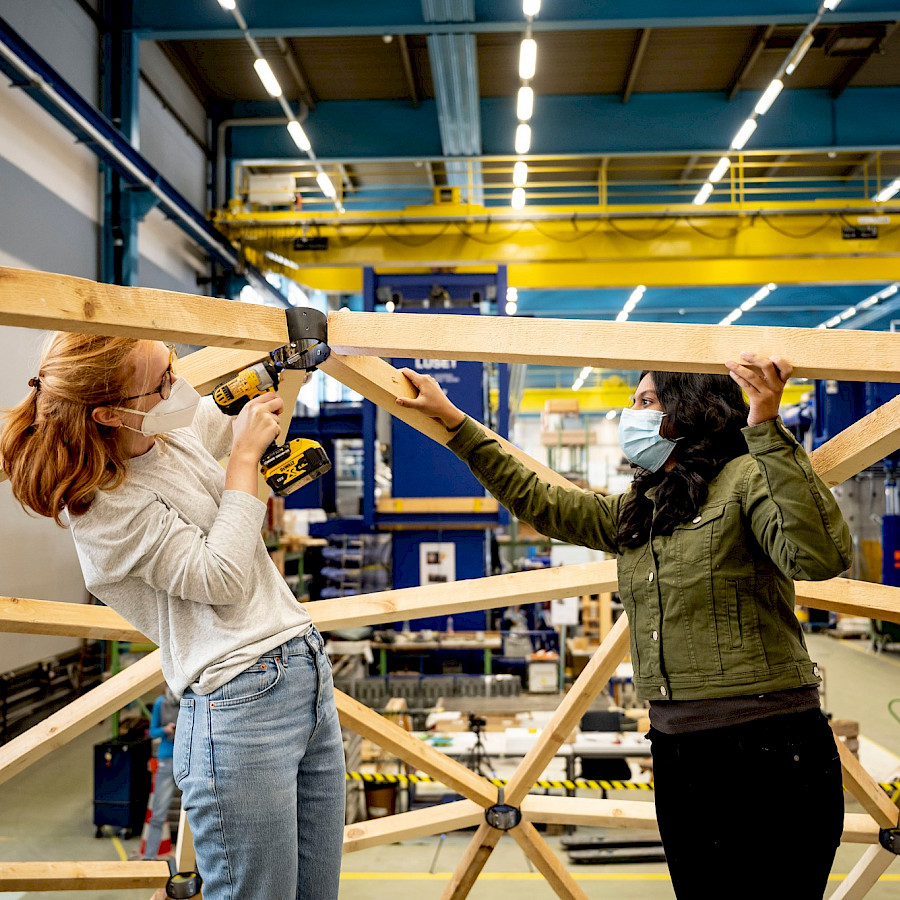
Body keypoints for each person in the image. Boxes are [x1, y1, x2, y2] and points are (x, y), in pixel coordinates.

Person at [398, 353, 851, 900]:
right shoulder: (645, 509)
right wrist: (455, 422)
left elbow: (819, 556)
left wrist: (766, 427)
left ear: (689, 410)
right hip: (679, 751)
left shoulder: (746, 477)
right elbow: (544, 502)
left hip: (767, 750)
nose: (630, 415)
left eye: (646, 401)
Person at [1, 334, 345, 900]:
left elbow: (204, 419)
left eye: (172, 368)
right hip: (240, 699)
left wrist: (274, 367)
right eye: (161, 382)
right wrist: (243, 462)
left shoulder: (157, 434)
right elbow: (220, 578)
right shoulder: (105, 510)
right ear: (111, 413)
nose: (177, 387)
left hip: (302, 673)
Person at [141, 689, 178, 861]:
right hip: (168, 758)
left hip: (190, 757)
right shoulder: (160, 703)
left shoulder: (191, 698)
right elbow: (152, 732)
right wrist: (166, 729)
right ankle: (149, 858)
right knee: (158, 812)